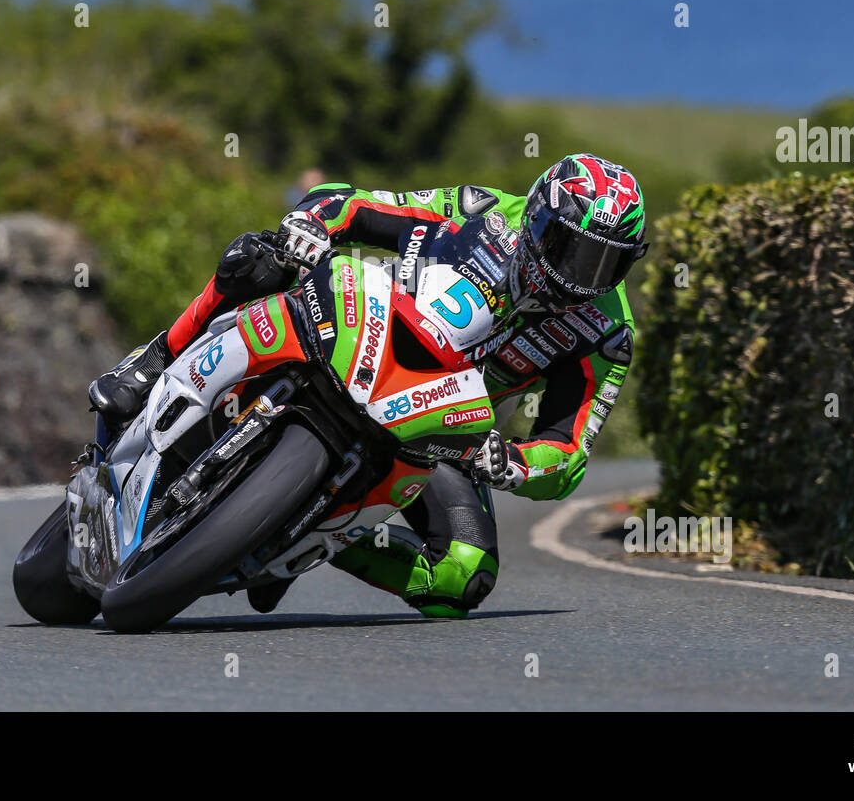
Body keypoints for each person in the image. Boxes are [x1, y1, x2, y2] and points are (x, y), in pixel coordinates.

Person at [88, 153, 647, 618]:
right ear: (538, 221)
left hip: (433, 426)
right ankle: (154, 357)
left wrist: (516, 463)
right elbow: (356, 204)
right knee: (260, 256)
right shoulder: (480, 212)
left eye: (605, 264)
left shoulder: (604, 333)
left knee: (463, 578)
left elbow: (570, 453)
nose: (581, 277)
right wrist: (313, 224)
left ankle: (306, 542)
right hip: (360, 332)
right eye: (571, 251)